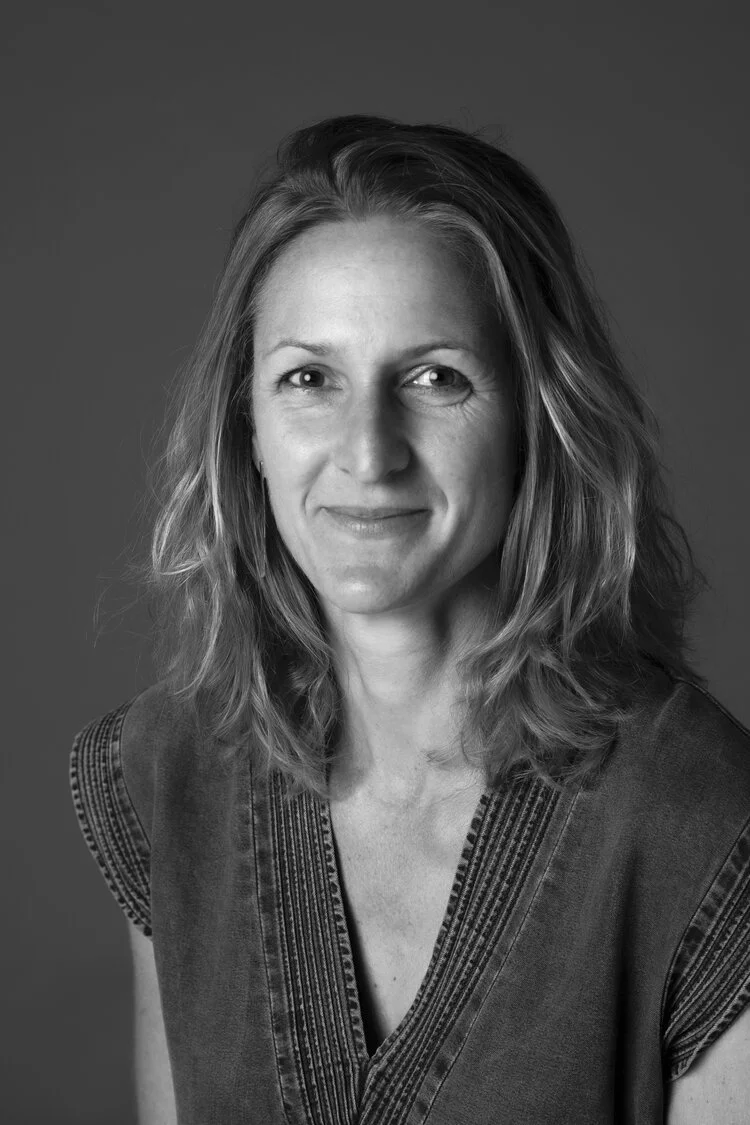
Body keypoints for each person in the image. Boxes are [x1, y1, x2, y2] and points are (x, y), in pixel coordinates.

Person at [69, 114, 750, 1125]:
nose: (368, 451)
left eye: (434, 377)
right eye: (309, 379)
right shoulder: (165, 776)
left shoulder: (701, 826)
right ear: (244, 425)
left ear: (537, 417)